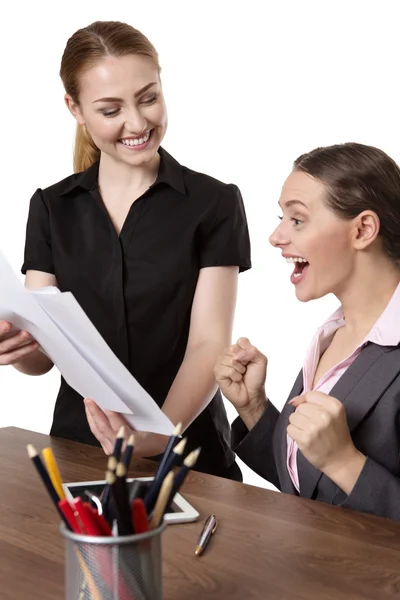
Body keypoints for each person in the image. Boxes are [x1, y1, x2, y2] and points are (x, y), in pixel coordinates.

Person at [0, 21, 251, 480]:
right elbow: (42, 358)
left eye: (149, 97)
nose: (137, 123)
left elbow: (207, 344)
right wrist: (17, 345)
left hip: (188, 452)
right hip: (81, 451)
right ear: (74, 108)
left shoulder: (213, 202)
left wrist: (155, 440)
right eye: (110, 109)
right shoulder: (52, 207)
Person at [215, 142, 400, 518]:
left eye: (297, 220)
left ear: (363, 229)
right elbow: (309, 485)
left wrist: (345, 462)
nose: (275, 237)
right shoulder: (333, 335)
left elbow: (335, 469)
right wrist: (253, 408)